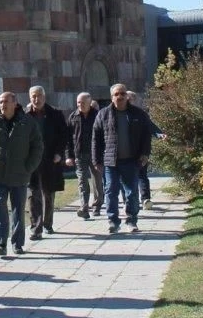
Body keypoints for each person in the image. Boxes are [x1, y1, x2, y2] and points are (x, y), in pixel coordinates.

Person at [0, 92, 43, 257]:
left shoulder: (27, 122)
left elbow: (37, 146)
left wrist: (29, 167)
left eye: (6, 101)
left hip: (20, 175)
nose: (2, 105)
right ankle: (0, 243)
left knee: (18, 211)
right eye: (0, 102)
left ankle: (17, 244)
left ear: (15, 103)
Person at [92, 83, 152, 234]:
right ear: (111, 97)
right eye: (116, 94)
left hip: (132, 160)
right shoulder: (103, 114)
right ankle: (113, 221)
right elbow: (96, 139)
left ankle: (132, 221)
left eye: (122, 93)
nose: (120, 96)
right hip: (110, 161)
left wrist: (145, 154)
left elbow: (146, 135)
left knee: (131, 192)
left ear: (127, 96)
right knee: (110, 191)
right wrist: (96, 160)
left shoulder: (138, 114)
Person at [25, 86, 67, 240]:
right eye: (33, 96)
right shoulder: (24, 116)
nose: (37, 99)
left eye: (39, 96)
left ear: (44, 97)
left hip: (50, 159)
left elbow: (63, 136)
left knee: (48, 193)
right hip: (31, 161)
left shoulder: (55, 114)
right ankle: (36, 228)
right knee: (33, 194)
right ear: (30, 98)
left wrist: (59, 153)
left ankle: (47, 223)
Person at [65, 92, 103, 218]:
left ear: (89, 102)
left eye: (83, 103)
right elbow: (69, 139)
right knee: (82, 181)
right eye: (78, 103)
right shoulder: (73, 116)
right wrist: (68, 156)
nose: (80, 105)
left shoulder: (98, 115)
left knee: (97, 180)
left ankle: (97, 206)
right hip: (79, 154)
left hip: (95, 154)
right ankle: (84, 207)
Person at [126, 91, 165, 209]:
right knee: (128, 177)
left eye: (133, 99)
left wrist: (160, 134)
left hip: (141, 150)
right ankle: (130, 200)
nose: (132, 101)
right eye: (130, 99)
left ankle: (145, 199)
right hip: (125, 152)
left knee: (142, 175)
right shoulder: (120, 114)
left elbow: (151, 126)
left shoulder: (141, 114)